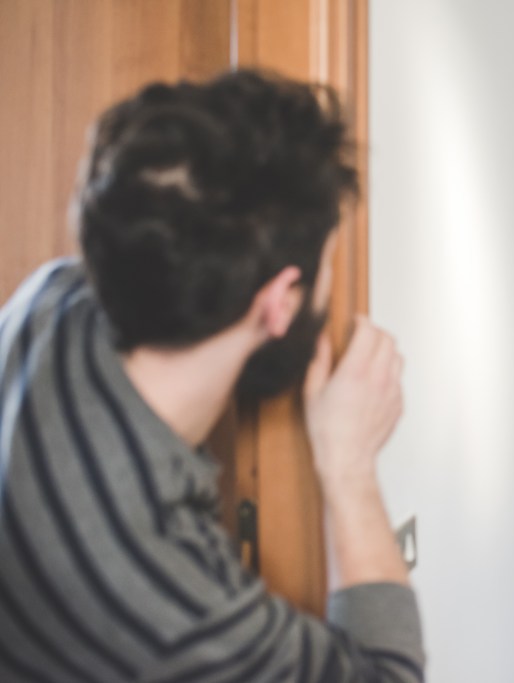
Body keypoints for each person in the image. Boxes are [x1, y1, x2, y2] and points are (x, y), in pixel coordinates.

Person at [0, 70, 424, 682]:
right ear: (280, 300)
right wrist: (350, 464)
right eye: (327, 260)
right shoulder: (164, 598)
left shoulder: (49, 300)